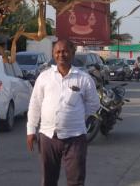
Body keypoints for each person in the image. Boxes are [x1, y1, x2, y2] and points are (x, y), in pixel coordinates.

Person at [26, 40, 99, 186]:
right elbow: (35, 104)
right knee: (48, 179)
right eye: (57, 52)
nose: (61, 55)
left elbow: (93, 105)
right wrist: (31, 130)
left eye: (65, 51)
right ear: (53, 54)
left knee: (76, 180)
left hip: (75, 138)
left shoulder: (83, 78)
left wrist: (75, 117)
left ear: (72, 53)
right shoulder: (44, 77)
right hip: (47, 137)